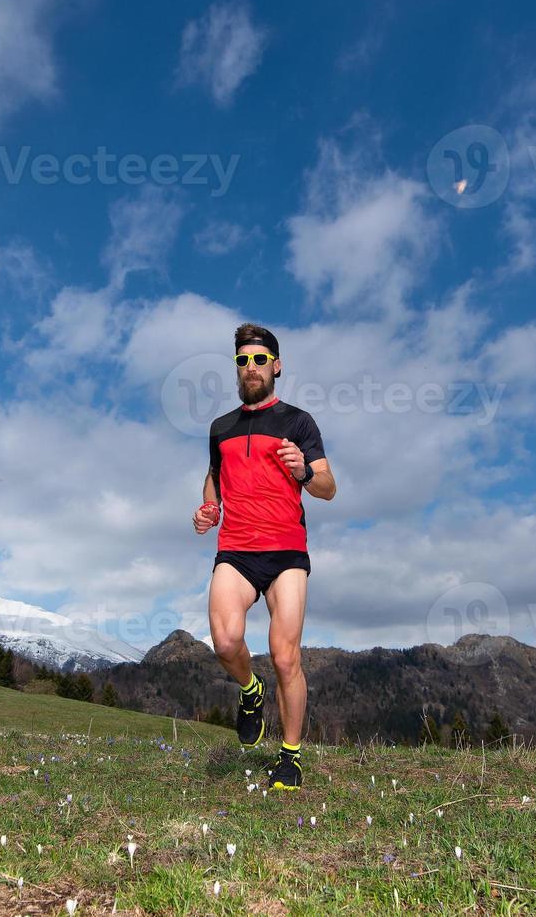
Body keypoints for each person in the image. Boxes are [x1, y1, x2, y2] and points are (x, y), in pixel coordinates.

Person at [193, 324, 336, 791]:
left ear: (276, 365)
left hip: (287, 553)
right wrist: (208, 507)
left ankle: (290, 757)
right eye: (242, 361)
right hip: (235, 548)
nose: (250, 368)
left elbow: (328, 489)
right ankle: (250, 690)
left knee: (285, 656)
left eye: (259, 360)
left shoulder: (299, 423)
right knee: (226, 641)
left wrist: (304, 470)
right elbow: (214, 476)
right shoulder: (221, 427)